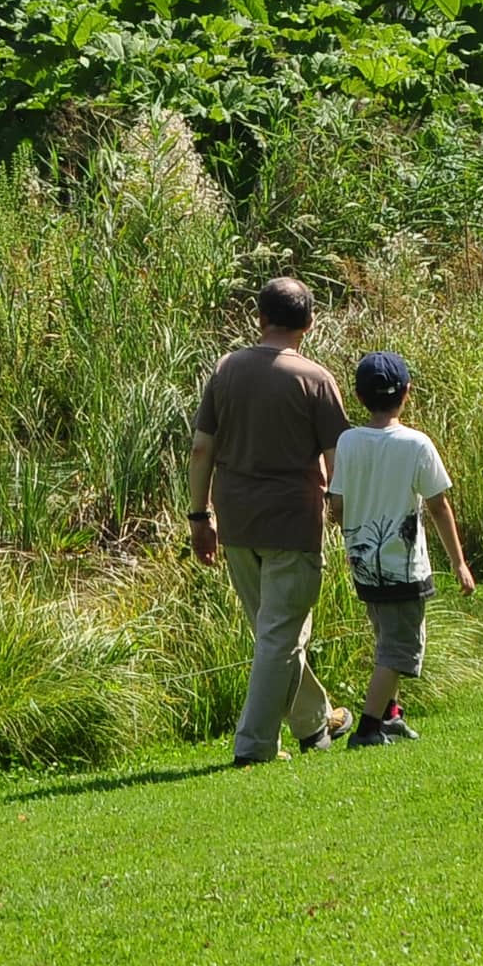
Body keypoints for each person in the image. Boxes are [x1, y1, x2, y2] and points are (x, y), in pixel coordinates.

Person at [186, 275, 357, 763]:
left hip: (237, 522)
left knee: (273, 633)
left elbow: (202, 448)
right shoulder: (317, 379)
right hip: (292, 522)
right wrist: (342, 516)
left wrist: (200, 516)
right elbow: (335, 459)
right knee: (280, 634)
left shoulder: (225, 370)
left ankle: (314, 721)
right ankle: (254, 745)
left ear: (258, 318)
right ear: (310, 322)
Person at [325, 349, 474, 747]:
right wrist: (459, 562)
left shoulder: (348, 442)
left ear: (358, 397)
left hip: (363, 562)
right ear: (407, 392)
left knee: (385, 637)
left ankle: (390, 716)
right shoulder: (416, 444)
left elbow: (336, 506)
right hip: (404, 565)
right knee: (400, 647)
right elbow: (439, 505)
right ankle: (369, 727)